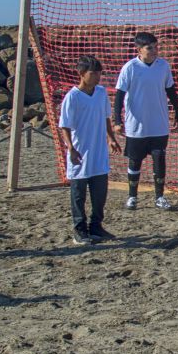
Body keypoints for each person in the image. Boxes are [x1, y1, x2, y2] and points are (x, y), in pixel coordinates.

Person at [113, 32, 178, 210]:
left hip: (159, 124)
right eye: (150, 48)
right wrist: (117, 120)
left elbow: (171, 90)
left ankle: (159, 197)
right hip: (136, 125)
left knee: (159, 158)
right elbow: (119, 95)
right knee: (135, 160)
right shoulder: (130, 67)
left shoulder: (163, 66)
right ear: (139, 49)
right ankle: (132, 196)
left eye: (156, 47)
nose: (154, 51)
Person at [58, 55, 122, 244]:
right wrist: (70, 148)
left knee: (100, 191)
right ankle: (79, 229)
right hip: (80, 151)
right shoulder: (73, 97)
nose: (97, 77)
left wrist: (110, 138)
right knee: (79, 193)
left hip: (98, 151)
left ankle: (96, 226)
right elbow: (65, 126)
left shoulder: (101, 93)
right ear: (82, 74)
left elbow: (106, 118)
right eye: (93, 73)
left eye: (99, 73)